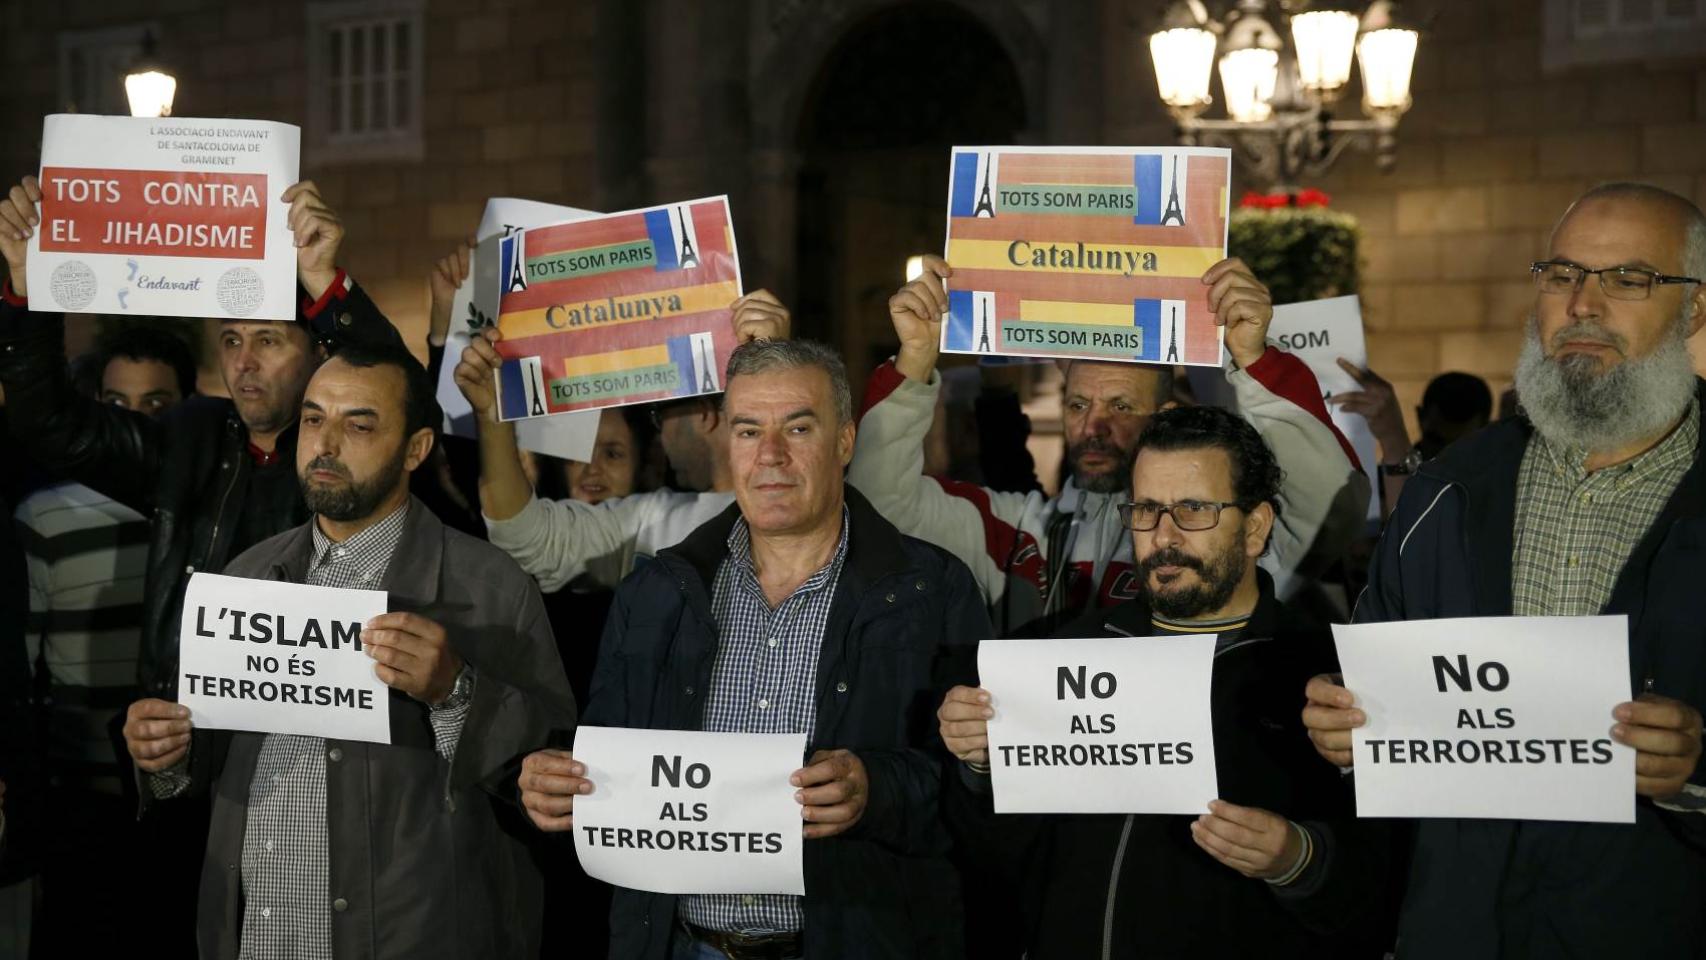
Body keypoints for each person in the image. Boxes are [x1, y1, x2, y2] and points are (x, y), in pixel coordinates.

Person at [1302, 182, 1706, 957]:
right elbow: (1381, 678)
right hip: (1458, 928)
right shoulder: (1444, 490)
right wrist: (1345, 726)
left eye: (1628, 279)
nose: (1583, 304)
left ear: (1693, 310)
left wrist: (1697, 766)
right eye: (1561, 275)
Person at [516, 339, 990, 959]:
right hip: (681, 945)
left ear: (845, 441)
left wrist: (875, 790)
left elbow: (974, 797)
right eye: (747, 431)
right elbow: (609, 769)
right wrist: (556, 784)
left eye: (798, 427)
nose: (770, 455)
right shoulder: (653, 593)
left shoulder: (934, 589)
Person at [120, 339, 577, 959]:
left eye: (358, 425)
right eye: (313, 419)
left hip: (411, 940)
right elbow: (208, 761)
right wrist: (166, 754)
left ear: (417, 449)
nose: (325, 446)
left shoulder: (492, 589)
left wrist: (456, 691)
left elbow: (558, 783)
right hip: (262, 937)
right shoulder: (247, 575)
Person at [936, 406, 1394, 958]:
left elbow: (1386, 895)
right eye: (1146, 509)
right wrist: (981, 767)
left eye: (1194, 509)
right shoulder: (1059, 655)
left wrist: (1300, 861)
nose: (1163, 535)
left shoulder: (1331, 679)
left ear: (1255, 527)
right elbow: (996, 861)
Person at [854, 255, 1368, 635]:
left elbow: (1332, 500)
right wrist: (917, 356)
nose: (1093, 427)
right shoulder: (1017, 531)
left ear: (1167, 416)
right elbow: (878, 507)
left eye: (1121, 407)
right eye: (1078, 406)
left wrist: (1256, 361)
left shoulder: (1225, 532)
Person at [12, 326, 195, 953]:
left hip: (182, 795)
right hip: (81, 803)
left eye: (157, 406)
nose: (138, 423)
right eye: (117, 407)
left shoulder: (206, 510)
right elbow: (24, 672)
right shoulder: (44, 517)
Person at [452, 276, 793, 595]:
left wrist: (776, 367)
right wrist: (494, 418)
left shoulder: (809, 503)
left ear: (703, 414)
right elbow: (528, 541)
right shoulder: (650, 520)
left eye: (659, 417)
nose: (661, 439)